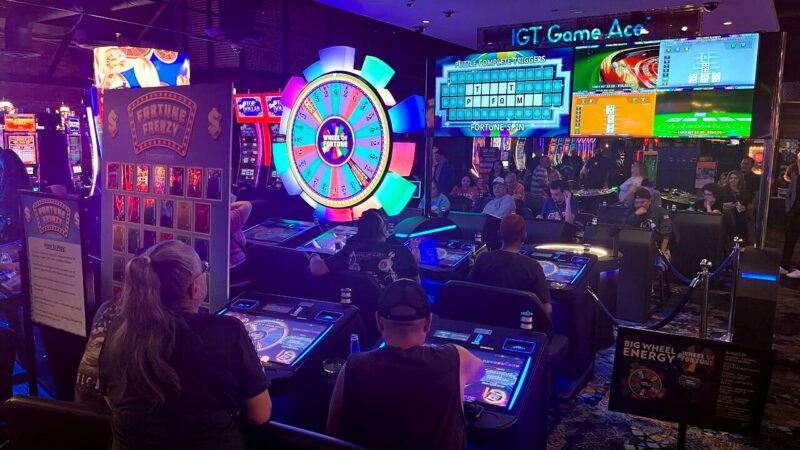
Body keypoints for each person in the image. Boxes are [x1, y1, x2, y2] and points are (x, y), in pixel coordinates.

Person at [99, 241, 271, 449]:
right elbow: (259, 415)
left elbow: (112, 400)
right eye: (204, 268)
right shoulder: (227, 331)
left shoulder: (120, 330)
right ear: (195, 288)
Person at [327, 279, 485, 450]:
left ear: (379, 321)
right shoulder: (455, 358)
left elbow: (332, 435)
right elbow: (480, 372)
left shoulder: (353, 365)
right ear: (428, 322)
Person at [310, 209, 420, 289]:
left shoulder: (350, 249)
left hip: (356, 307)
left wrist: (314, 256)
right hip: (388, 308)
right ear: (383, 229)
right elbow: (416, 285)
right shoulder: (400, 251)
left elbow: (317, 270)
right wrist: (414, 247)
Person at [467, 214, 552, 314]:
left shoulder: (483, 258)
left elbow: (468, 291)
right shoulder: (533, 266)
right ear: (524, 236)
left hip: (484, 318)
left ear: (499, 234)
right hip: (519, 321)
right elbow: (546, 309)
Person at [623, 188, 672, 253]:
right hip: (635, 246)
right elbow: (623, 227)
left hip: (657, 246)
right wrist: (635, 215)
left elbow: (666, 234)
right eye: (636, 202)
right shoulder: (631, 211)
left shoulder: (660, 212)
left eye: (642, 202)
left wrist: (662, 253)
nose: (639, 205)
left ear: (649, 201)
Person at [0, 148, 32, 242]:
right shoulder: (22, 176)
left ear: (6, 163)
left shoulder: (10, 181)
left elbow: (6, 203)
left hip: (11, 223)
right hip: (22, 222)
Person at [720, 170, 753, 243]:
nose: (733, 180)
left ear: (739, 180)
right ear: (728, 179)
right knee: (729, 240)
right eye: (731, 178)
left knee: (740, 241)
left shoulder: (744, 191)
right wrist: (724, 205)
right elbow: (716, 203)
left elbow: (751, 205)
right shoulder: (722, 190)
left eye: (735, 178)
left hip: (741, 218)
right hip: (728, 218)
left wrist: (745, 207)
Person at [781, 153, 800, 278]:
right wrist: (789, 209)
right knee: (789, 240)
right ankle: (784, 266)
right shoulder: (795, 175)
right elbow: (790, 194)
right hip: (794, 213)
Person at [230, 198, 253, 280]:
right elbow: (247, 205)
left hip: (228, 268)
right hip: (236, 268)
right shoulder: (224, 218)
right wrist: (225, 205)